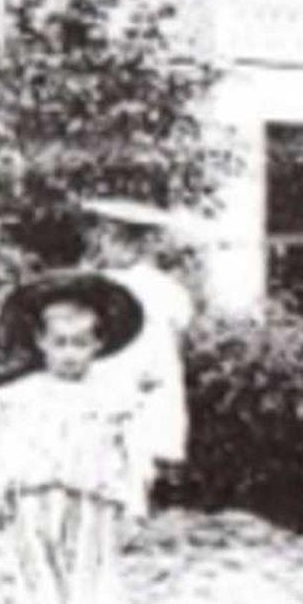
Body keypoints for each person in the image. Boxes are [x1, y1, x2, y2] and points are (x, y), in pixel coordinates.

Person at [0, 269, 146, 604]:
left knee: (89, 573)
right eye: (60, 342)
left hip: (92, 496)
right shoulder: (20, 396)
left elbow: (134, 454)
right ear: (42, 341)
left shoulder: (114, 397)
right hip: (32, 496)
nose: (69, 353)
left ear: (98, 344)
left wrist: (135, 505)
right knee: (36, 573)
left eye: (80, 343)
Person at [83, 199, 195, 516]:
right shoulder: (96, 285)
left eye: (115, 238)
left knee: (137, 452)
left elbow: (176, 338)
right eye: (105, 237)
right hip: (107, 376)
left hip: (145, 378)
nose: (105, 245)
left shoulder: (164, 289)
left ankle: (132, 513)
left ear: (136, 244)